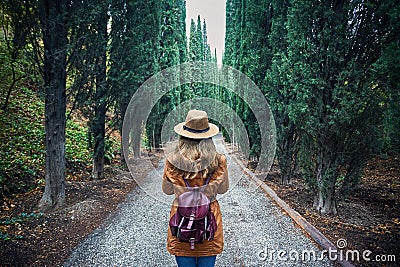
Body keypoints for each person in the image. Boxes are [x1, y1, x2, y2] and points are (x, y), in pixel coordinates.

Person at [162, 109, 229, 267]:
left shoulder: (173, 161)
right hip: (209, 225)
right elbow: (223, 189)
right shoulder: (219, 160)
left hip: (181, 224)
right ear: (208, 136)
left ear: (183, 135)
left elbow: (167, 190)